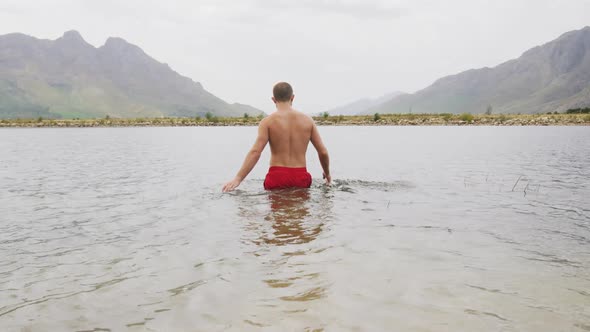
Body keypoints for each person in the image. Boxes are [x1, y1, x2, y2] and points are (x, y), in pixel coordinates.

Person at [222, 82, 331, 192]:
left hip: (276, 177)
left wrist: (238, 178)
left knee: (278, 207)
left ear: (273, 99)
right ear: (292, 97)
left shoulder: (267, 122)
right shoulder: (308, 121)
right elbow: (323, 152)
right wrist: (327, 174)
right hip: (300, 177)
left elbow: (255, 152)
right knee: (300, 207)